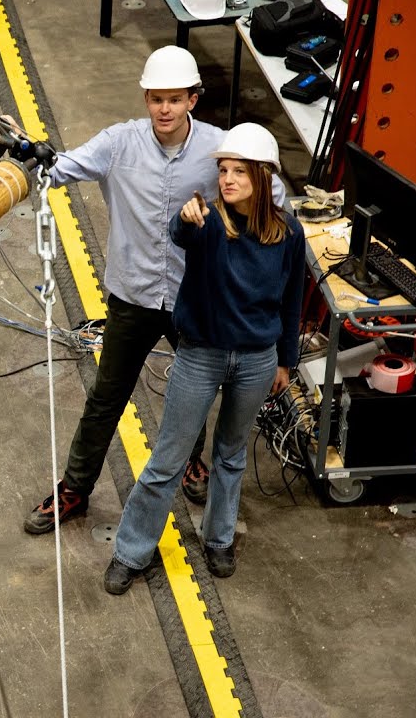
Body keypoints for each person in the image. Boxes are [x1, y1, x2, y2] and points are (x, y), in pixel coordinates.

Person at [22, 46, 286, 535]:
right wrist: (22, 154)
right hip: (133, 297)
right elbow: (56, 169)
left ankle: (189, 461)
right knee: (106, 397)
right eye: (156, 99)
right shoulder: (118, 144)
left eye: (175, 99)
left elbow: (272, 193)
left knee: (196, 393)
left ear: (193, 99)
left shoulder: (219, 150)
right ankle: (75, 487)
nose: (165, 109)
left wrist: (242, 243)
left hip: (195, 299)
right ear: (146, 98)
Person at [103, 123, 306, 595]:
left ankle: (219, 539)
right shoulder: (208, 222)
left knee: (231, 456)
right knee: (168, 459)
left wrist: (285, 361)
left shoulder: (289, 233)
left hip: (256, 360)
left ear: (263, 176)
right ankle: (130, 552)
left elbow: (292, 300)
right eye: (223, 170)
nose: (227, 179)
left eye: (239, 171)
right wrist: (185, 217)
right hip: (201, 356)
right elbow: (180, 233)